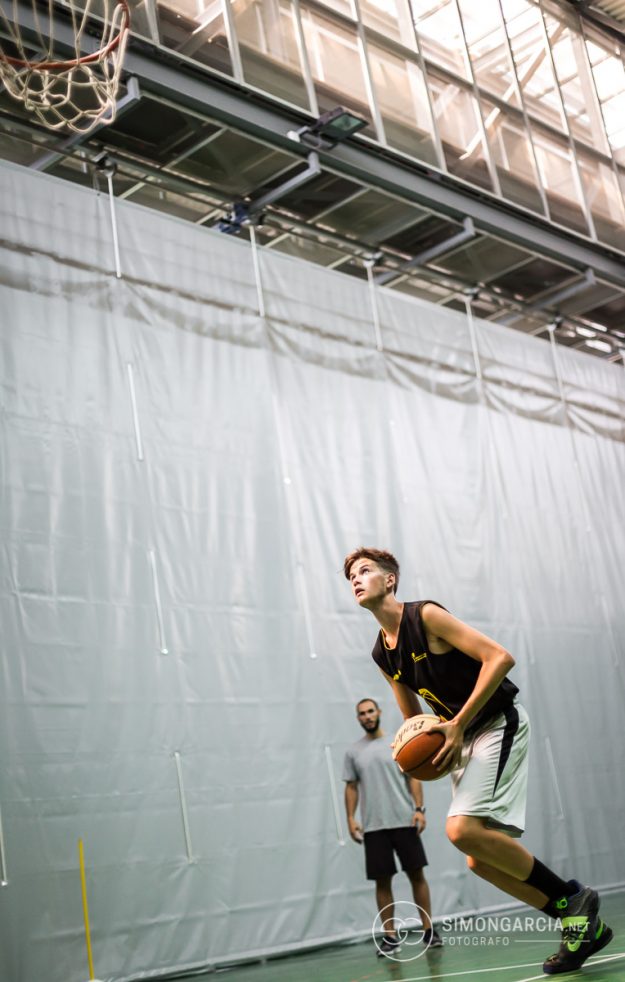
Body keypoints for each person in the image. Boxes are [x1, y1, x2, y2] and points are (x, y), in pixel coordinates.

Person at [343, 547, 613, 975]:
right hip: (462, 736)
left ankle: (573, 899)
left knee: (460, 830)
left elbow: (500, 658)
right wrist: (415, 752)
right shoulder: (383, 654)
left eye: (364, 571)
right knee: (478, 858)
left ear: (390, 580)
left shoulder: (425, 616)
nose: (356, 579)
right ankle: (579, 924)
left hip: (495, 722)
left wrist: (457, 723)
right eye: (350, 577)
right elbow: (414, 718)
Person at [343, 696, 443, 957]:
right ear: (358, 718)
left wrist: (419, 810)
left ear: (378, 712)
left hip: (404, 821)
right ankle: (390, 936)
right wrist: (351, 818)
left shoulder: (398, 743)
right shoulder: (353, 752)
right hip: (374, 827)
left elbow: (413, 778)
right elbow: (351, 787)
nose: (367, 716)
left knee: (417, 875)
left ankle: (429, 930)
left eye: (370, 711)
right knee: (382, 882)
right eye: (362, 713)